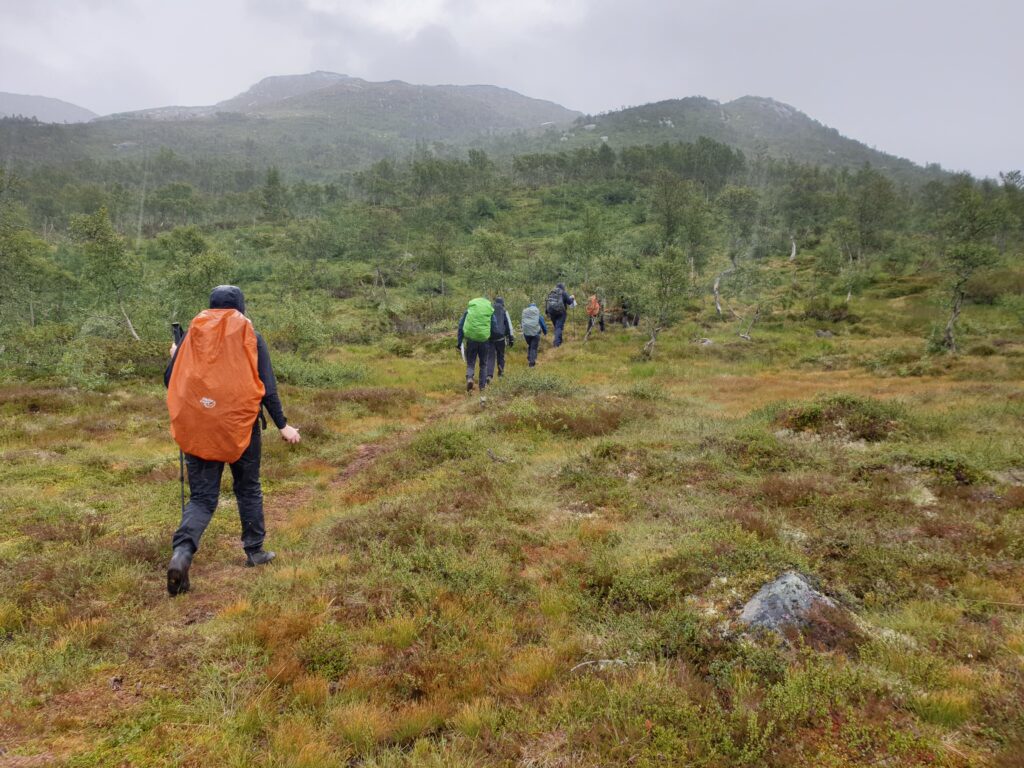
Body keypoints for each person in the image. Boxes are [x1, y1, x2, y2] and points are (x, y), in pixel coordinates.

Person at [164, 285, 301, 596]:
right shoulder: (251, 335)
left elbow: (170, 382)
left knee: (201, 499)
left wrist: (174, 356)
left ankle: (182, 554)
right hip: (242, 427)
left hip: (200, 429)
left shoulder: (191, 336)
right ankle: (255, 552)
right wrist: (283, 425)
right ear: (241, 306)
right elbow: (267, 386)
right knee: (248, 487)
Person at [457, 296, 497, 393]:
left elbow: (461, 325)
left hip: (471, 339)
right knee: (483, 364)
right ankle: (482, 387)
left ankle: (470, 378)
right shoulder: (489, 312)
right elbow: (494, 326)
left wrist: (459, 342)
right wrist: (492, 339)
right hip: (484, 340)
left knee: (471, 363)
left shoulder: (469, 311)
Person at [486, 296, 515, 383]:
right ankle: (501, 373)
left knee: (490, 357)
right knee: (500, 355)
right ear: (502, 303)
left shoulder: (489, 310)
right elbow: (509, 325)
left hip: (490, 338)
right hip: (501, 338)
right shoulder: (504, 311)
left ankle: (489, 375)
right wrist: (511, 338)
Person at [545, 282, 575, 347]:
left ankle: (560, 341)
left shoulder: (551, 292)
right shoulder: (563, 293)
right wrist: (572, 298)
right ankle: (556, 344)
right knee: (559, 327)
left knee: (557, 327)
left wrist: (547, 312)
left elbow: (548, 303)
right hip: (561, 313)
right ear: (563, 287)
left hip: (552, 312)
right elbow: (569, 302)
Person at [521, 301, 548, 367]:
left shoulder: (525, 315)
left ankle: (529, 357)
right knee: (533, 347)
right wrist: (545, 332)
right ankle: (532, 363)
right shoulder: (537, 315)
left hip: (526, 334)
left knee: (530, 345)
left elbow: (523, 324)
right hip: (535, 334)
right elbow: (543, 324)